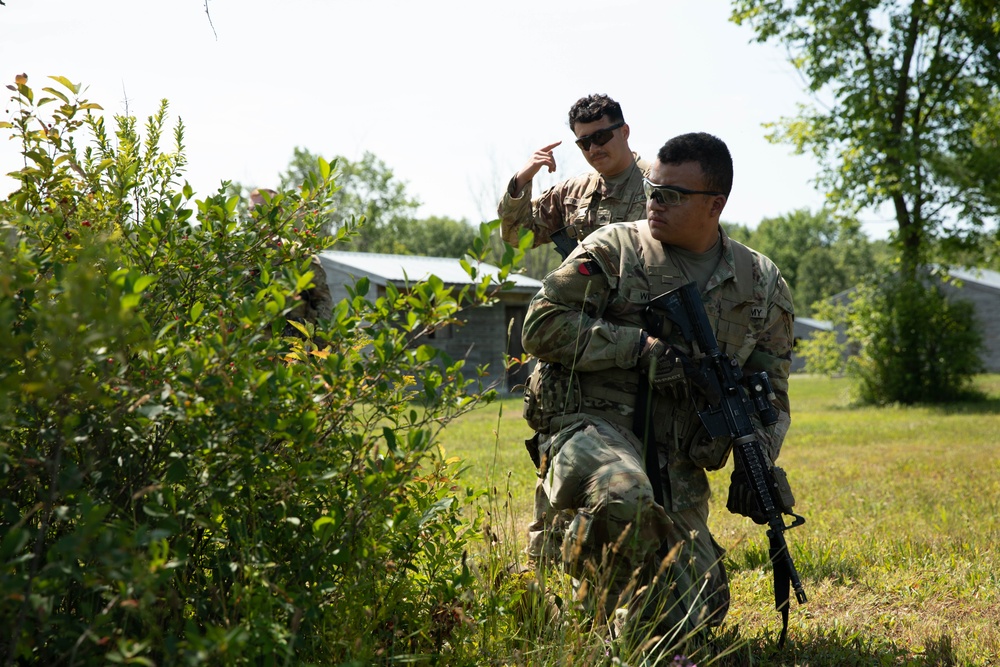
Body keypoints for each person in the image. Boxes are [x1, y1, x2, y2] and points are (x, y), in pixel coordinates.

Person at [520, 132, 794, 639]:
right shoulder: (614, 248)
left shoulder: (760, 282)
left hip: (677, 457)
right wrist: (635, 348)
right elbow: (540, 327)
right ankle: (582, 608)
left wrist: (759, 457)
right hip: (590, 426)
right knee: (624, 496)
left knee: (698, 608)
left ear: (716, 204)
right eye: (651, 189)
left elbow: (771, 390)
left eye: (670, 195)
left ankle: (622, 619)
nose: (653, 203)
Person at [498, 94, 650, 256]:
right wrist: (522, 180)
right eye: (584, 142)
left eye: (600, 137)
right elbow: (517, 237)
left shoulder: (660, 185)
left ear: (624, 132)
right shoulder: (572, 193)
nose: (593, 148)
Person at [250, 188, 333, 331]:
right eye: (251, 209)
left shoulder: (299, 255)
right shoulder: (238, 256)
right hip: (247, 347)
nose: (253, 214)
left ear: (278, 212)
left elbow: (323, 304)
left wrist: (317, 347)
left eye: (260, 208)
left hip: (289, 348)